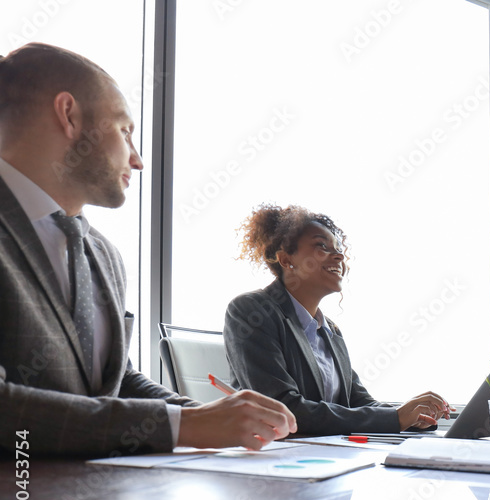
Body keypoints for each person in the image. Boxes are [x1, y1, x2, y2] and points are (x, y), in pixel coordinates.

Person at [0, 43, 296, 458]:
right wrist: (184, 426)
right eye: (124, 131)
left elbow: (115, 381)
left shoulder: (103, 254)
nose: (137, 160)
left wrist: (211, 415)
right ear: (68, 115)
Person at [224, 204, 450, 435]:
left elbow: (357, 402)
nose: (340, 255)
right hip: (272, 458)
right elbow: (284, 411)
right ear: (285, 260)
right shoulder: (251, 311)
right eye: (322, 246)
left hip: (324, 455)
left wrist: (411, 417)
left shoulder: (329, 330)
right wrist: (394, 418)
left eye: (339, 248)